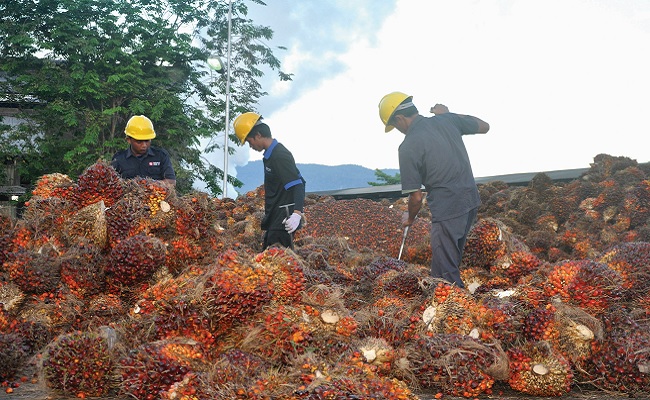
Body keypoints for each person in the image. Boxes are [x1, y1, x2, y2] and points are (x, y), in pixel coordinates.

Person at [378, 92, 489, 288]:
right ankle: (459, 305)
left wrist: (410, 218)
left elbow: (416, 196)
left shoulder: (408, 146)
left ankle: (459, 312)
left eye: (395, 126)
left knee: (444, 276)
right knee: (451, 261)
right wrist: (449, 114)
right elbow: (484, 126)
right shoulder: (447, 120)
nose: (398, 130)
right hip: (470, 200)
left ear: (399, 118)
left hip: (448, 208)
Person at [233, 112, 306, 249]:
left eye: (250, 141)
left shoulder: (280, 155)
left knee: (277, 264)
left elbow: (299, 184)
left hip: (283, 222)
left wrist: (296, 215)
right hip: (274, 220)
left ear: (258, 135)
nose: (251, 146)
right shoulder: (270, 155)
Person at [111, 115, 176, 187]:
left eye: (147, 141)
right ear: (129, 140)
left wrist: (149, 185)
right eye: (139, 142)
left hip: (157, 197)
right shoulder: (119, 159)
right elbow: (111, 184)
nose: (144, 145)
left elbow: (171, 182)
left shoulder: (161, 156)